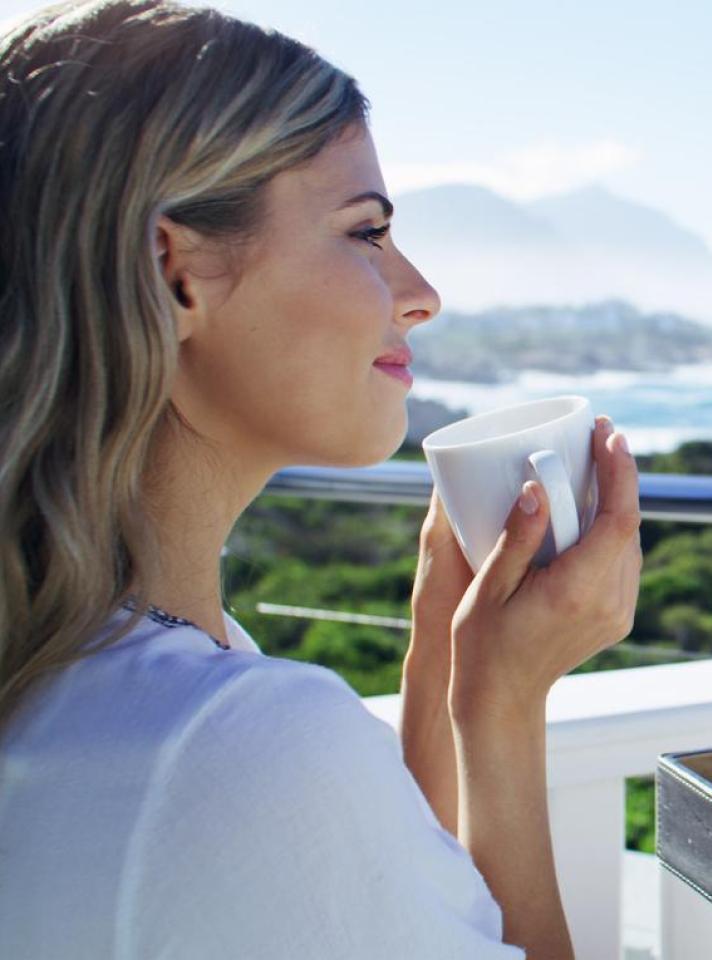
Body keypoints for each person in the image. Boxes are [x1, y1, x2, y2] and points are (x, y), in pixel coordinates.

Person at [0, 2, 643, 957]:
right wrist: (504, 709)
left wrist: (445, 665)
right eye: (366, 232)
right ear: (176, 274)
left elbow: (401, 907)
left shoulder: (105, 664)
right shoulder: (237, 741)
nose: (420, 294)